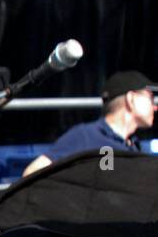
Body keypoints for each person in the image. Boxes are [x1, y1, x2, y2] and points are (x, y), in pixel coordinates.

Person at [22, 70, 156, 177]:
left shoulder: (134, 146)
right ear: (131, 99)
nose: (155, 107)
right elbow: (32, 172)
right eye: (150, 98)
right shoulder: (85, 136)